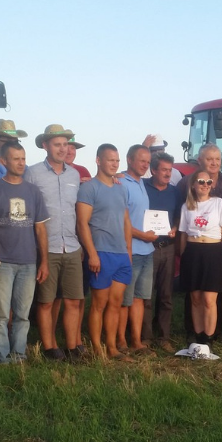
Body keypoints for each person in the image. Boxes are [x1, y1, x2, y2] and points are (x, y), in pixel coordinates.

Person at [25, 124, 87, 361]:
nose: (62, 149)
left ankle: (72, 347)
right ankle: (50, 347)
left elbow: (77, 212)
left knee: (73, 299)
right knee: (46, 301)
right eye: (57, 144)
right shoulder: (33, 173)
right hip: (46, 247)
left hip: (71, 245)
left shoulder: (73, 175)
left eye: (65, 144)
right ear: (45, 145)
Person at [0, 141, 49, 364]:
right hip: (2, 261)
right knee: (1, 314)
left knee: (22, 314)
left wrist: (44, 262)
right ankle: (1, 358)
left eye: (23, 158)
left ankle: (19, 354)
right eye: (16, 159)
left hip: (28, 261)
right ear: (4, 160)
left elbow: (40, 228)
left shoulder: (33, 191)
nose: (21, 163)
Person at [76, 144, 133, 360]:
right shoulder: (89, 188)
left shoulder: (121, 188)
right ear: (98, 160)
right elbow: (82, 223)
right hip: (101, 252)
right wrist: (92, 253)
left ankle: (112, 347)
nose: (114, 164)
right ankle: (97, 349)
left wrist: (128, 251)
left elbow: (126, 221)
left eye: (117, 161)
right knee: (99, 304)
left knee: (116, 303)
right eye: (110, 160)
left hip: (121, 254)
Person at [176, 144, 222, 340]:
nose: (205, 185)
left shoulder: (219, 203)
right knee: (195, 298)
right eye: (201, 182)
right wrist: (183, 255)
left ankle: (209, 337)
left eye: (208, 182)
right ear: (193, 184)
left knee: (210, 299)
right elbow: (183, 234)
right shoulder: (187, 205)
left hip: (213, 252)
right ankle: (197, 334)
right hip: (193, 252)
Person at [144, 152, 181, 353]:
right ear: (153, 170)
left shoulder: (174, 192)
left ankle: (163, 337)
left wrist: (175, 227)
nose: (168, 174)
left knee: (166, 295)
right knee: (146, 295)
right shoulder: (143, 187)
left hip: (167, 247)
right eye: (164, 170)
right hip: (147, 248)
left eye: (170, 170)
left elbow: (177, 217)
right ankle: (146, 337)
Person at [120, 144, 156, 352]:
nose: (145, 165)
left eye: (148, 162)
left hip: (147, 251)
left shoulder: (141, 183)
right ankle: (121, 342)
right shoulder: (121, 183)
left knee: (139, 298)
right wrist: (142, 235)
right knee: (125, 300)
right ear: (129, 159)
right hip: (130, 250)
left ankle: (136, 341)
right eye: (142, 161)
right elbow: (121, 221)